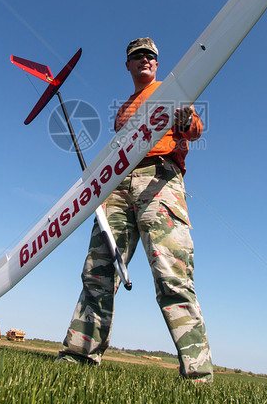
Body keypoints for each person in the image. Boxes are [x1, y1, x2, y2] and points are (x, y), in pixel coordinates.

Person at [56, 37, 214, 381]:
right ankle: (78, 356)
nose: (144, 59)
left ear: (157, 63)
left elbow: (195, 129)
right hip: (117, 186)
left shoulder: (172, 90)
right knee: (99, 270)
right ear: (128, 65)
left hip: (160, 181)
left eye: (150, 56)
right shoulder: (123, 108)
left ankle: (198, 374)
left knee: (171, 272)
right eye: (136, 56)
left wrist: (186, 118)